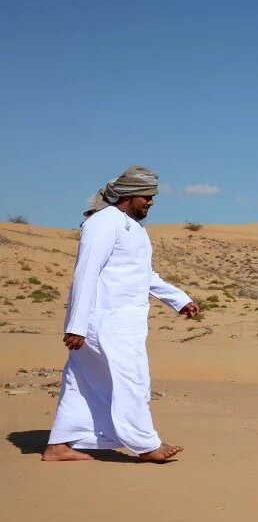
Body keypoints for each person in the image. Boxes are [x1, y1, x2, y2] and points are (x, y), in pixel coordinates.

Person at [42, 166, 199, 462]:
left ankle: (58, 445)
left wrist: (178, 299)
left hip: (118, 322)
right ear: (128, 195)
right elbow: (86, 274)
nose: (151, 202)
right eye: (147, 196)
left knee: (82, 380)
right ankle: (145, 444)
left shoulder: (133, 228)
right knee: (132, 379)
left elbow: (143, 274)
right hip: (104, 322)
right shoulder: (102, 224)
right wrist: (77, 325)